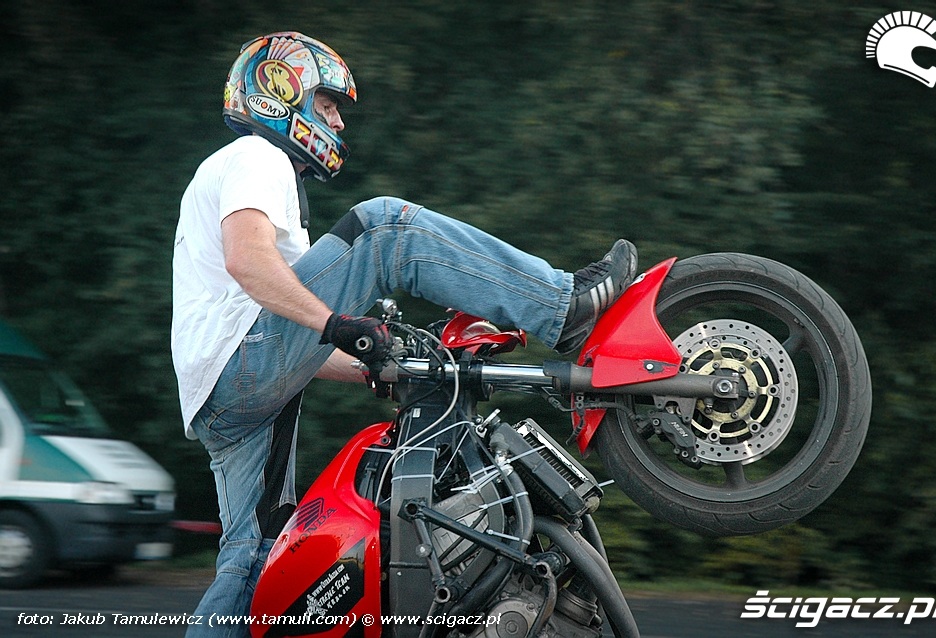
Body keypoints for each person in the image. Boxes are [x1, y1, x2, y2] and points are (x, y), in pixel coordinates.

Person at [171, 31, 637, 636]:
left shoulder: (254, 176)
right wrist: (338, 323)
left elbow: (293, 334)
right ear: (281, 94)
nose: (338, 121)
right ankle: (563, 305)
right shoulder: (257, 157)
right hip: (241, 368)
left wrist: (379, 361)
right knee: (383, 227)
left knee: (251, 562)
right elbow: (248, 262)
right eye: (327, 104)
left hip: (224, 395)